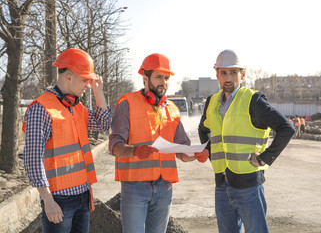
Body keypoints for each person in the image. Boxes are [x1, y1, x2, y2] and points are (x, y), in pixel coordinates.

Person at [109, 53, 209, 233]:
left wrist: (196, 155)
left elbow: (182, 149)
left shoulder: (172, 109)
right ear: (145, 78)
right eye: (158, 77)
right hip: (135, 187)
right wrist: (134, 150)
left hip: (164, 188)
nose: (163, 81)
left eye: (166, 77)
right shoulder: (127, 104)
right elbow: (114, 144)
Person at [198, 49, 295, 233]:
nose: (228, 78)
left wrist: (266, 158)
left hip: (249, 187)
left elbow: (286, 128)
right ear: (217, 75)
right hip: (221, 184)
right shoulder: (211, 102)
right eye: (223, 72)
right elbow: (203, 129)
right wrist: (210, 152)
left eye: (233, 72)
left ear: (243, 74)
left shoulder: (253, 100)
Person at [23, 48, 111, 233]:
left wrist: (98, 92)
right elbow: (32, 160)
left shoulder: (76, 107)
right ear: (68, 77)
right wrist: (47, 200)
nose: (88, 84)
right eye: (85, 79)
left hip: (82, 195)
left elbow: (103, 124)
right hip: (59, 200)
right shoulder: (41, 110)